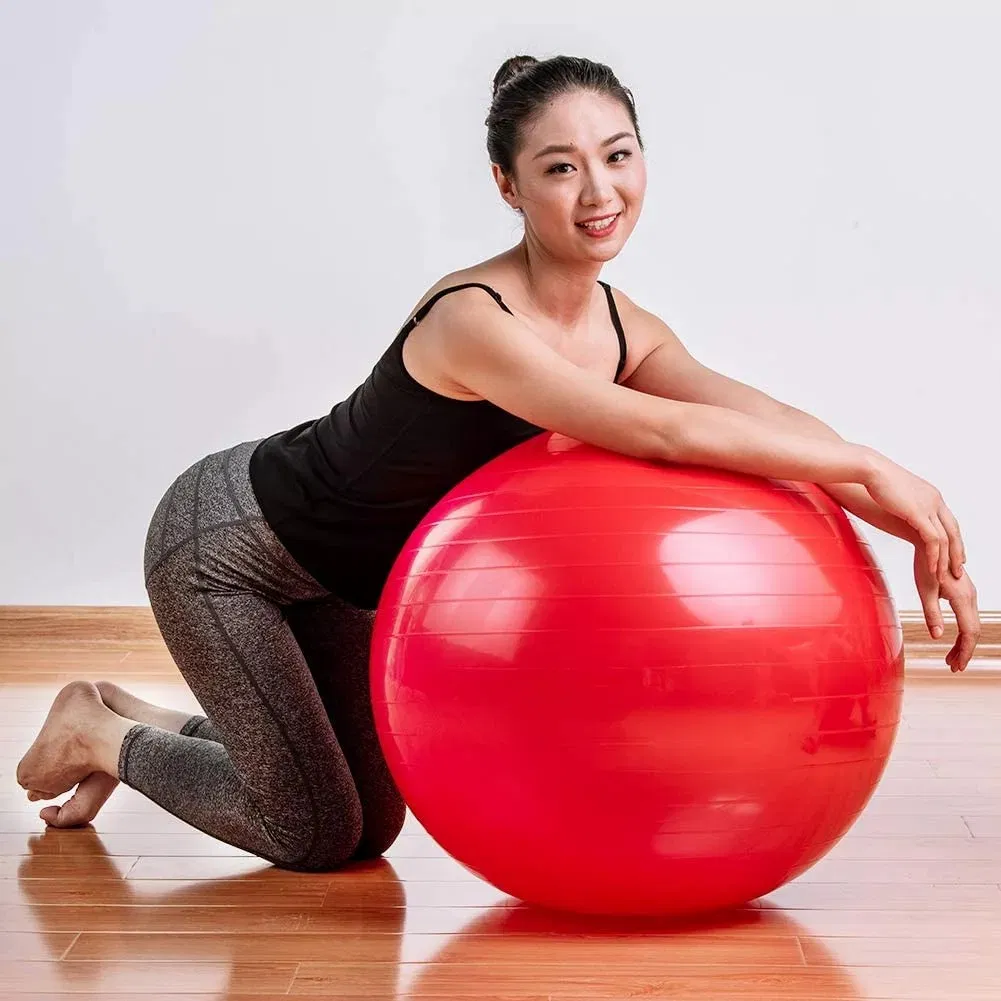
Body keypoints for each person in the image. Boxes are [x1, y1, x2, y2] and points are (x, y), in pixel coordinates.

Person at [17, 54, 980, 867]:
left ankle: (126, 714)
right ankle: (98, 730)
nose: (599, 191)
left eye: (617, 156)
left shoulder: (620, 324)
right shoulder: (474, 320)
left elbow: (757, 413)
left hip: (345, 582)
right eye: (560, 168)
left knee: (368, 823)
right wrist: (868, 469)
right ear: (507, 186)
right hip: (227, 548)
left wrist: (891, 495)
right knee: (312, 829)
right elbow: (660, 433)